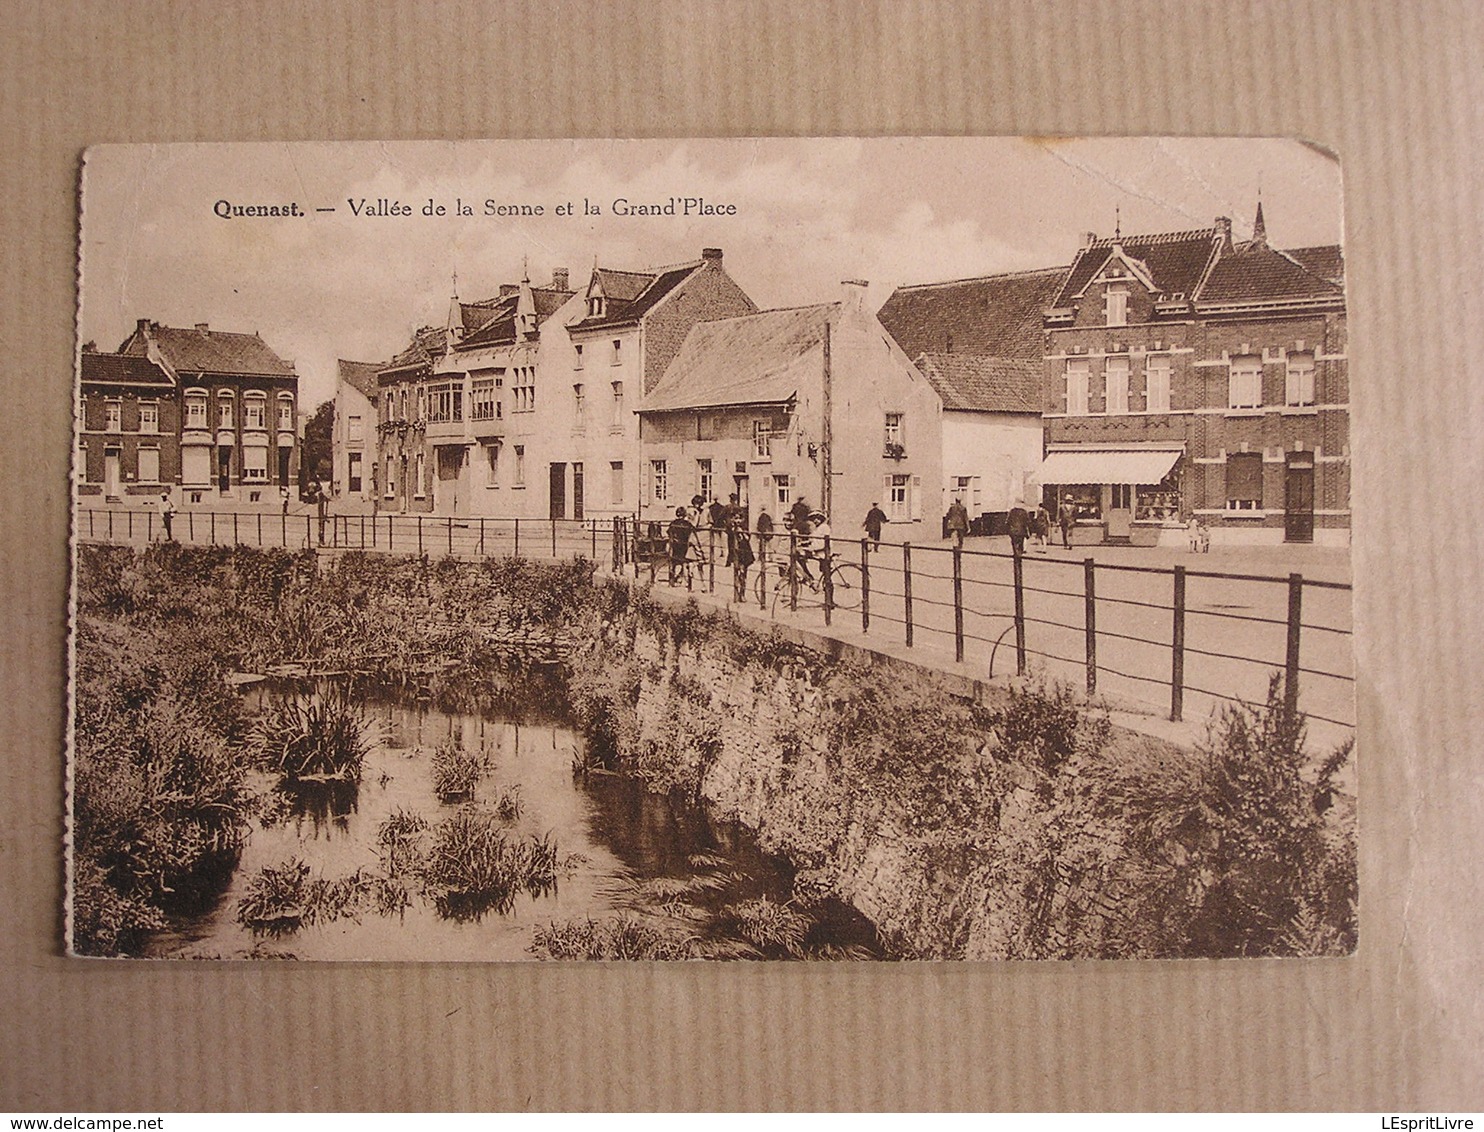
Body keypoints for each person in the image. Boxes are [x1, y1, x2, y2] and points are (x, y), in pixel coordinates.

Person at [667, 506, 695, 584]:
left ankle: (672, 580)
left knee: (673, 563)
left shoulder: (673, 523)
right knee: (685, 563)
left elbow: (669, 532)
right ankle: (687, 582)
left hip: (675, 545)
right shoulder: (687, 524)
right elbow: (691, 532)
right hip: (684, 546)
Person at [731, 516, 755, 601]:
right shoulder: (731, 529)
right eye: (735, 518)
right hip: (735, 553)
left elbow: (747, 538)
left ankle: (742, 594)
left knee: (743, 574)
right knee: (736, 573)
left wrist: (742, 533)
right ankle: (737, 594)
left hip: (744, 553)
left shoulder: (744, 528)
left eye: (739, 519)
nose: (737, 521)